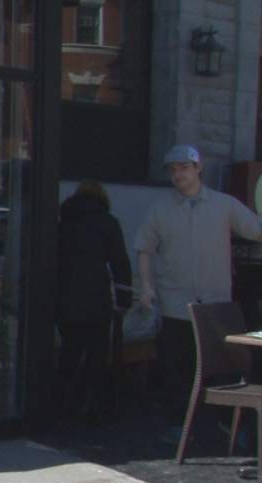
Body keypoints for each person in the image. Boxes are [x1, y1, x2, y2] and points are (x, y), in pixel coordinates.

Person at [134, 144, 262, 441]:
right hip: (176, 304)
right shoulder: (160, 210)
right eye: (173, 170)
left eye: (184, 168)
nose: (178, 174)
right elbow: (143, 248)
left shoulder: (223, 205)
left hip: (216, 304)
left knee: (228, 368)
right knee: (176, 369)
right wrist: (146, 288)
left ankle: (229, 426)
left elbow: (255, 230)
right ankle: (178, 427)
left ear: (198, 168)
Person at [56, 180, 131, 423]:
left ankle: (63, 403)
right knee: (96, 354)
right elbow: (120, 263)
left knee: (70, 350)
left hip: (65, 293)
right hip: (95, 296)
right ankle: (90, 405)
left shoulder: (62, 222)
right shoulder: (108, 223)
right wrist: (124, 300)